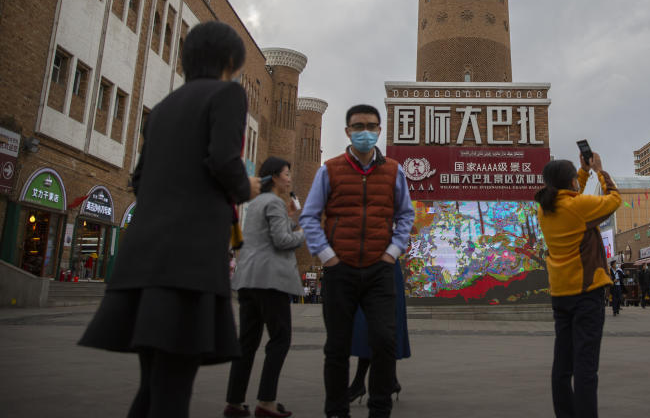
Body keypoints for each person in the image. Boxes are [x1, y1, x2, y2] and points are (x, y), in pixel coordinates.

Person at [78, 21, 260, 418]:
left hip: (143, 260)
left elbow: (140, 179)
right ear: (231, 62)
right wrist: (247, 187)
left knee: (153, 385)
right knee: (173, 387)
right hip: (188, 263)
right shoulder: (227, 95)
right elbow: (222, 161)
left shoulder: (162, 109)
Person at [300, 104, 415, 418]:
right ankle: (337, 411)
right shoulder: (330, 169)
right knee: (337, 347)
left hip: (379, 269)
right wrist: (328, 257)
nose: (365, 131)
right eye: (358, 126)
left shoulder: (394, 170)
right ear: (348, 131)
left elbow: (405, 215)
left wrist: (392, 253)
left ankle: (380, 409)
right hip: (341, 269)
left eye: (371, 126)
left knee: (384, 341)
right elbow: (309, 216)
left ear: (379, 130)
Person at [536, 151, 621, 418]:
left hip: (561, 295)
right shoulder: (579, 207)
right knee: (586, 369)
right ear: (570, 182)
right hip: (587, 294)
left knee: (562, 366)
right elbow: (614, 200)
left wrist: (582, 173)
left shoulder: (545, 209)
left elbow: (572, 197)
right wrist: (599, 170)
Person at [224, 157, 305, 418]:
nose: (289, 178)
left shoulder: (257, 202)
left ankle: (234, 402)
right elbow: (282, 241)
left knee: (247, 343)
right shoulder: (273, 202)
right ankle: (266, 401)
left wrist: (291, 219)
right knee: (280, 340)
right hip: (270, 281)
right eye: (286, 173)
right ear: (273, 177)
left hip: (249, 280)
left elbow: (268, 237)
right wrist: (306, 230)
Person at [347, 261, 411, 405]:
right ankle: (390, 380)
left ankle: (360, 383)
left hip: (384, 268)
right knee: (372, 325)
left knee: (384, 324)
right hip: (367, 267)